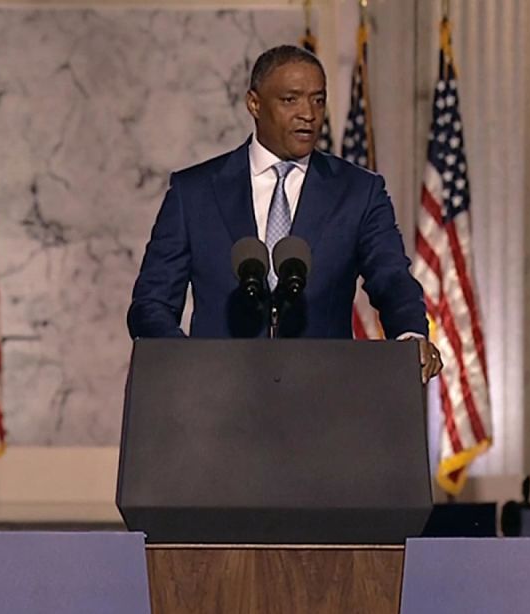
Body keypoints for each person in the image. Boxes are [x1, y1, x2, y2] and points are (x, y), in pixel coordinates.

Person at [127, 44, 442, 380]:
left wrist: (411, 335)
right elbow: (152, 303)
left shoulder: (359, 192)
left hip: (324, 399)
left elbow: (391, 278)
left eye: (318, 99)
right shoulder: (195, 192)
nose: (308, 113)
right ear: (254, 103)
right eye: (290, 99)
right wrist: (189, 363)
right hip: (218, 399)